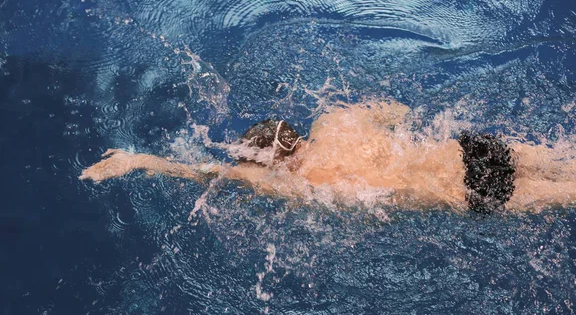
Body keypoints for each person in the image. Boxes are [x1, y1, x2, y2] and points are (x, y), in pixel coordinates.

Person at [80, 100, 576, 213]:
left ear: (275, 161)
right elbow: (395, 110)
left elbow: (205, 172)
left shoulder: (300, 180)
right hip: (465, 146)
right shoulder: (337, 117)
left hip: (461, 191)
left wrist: (139, 159)